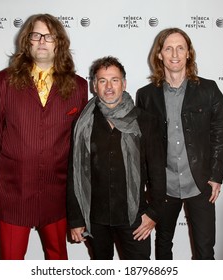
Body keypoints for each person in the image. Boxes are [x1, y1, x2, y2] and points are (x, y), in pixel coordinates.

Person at [0, 13, 88, 260]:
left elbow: (78, 140)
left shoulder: (79, 86)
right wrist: (18, 156)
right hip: (14, 190)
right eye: (36, 35)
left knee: (57, 261)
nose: (42, 40)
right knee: (10, 263)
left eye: (49, 36)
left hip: (57, 191)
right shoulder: (1, 82)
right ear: (27, 41)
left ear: (58, 43)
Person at [136, 28, 223, 260]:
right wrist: (147, 184)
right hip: (163, 186)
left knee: (205, 251)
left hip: (199, 183)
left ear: (189, 53)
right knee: (163, 245)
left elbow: (220, 133)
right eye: (168, 48)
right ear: (159, 55)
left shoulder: (209, 90)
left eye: (180, 48)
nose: (175, 53)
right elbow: (142, 144)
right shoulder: (146, 95)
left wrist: (216, 175)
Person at [66, 56, 166, 260]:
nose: (109, 86)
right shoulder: (83, 123)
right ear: (95, 85)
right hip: (95, 218)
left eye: (115, 80)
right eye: (102, 80)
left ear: (124, 83)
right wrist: (76, 219)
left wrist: (154, 213)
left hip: (134, 218)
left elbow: (158, 172)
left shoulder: (145, 121)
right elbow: (74, 173)